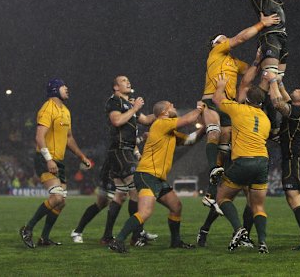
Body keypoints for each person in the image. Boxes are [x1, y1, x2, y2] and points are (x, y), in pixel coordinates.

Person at [201, 12, 279, 216]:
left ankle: (213, 190)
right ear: (215, 45)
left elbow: (250, 73)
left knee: (226, 143)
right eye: (221, 39)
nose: (225, 39)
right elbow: (241, 38)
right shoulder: (216, 53)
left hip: (228, 104)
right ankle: (212, 171)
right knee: (215, 132)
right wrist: (262, 24)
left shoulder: (233, 62)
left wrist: (258, 61)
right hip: (212, 99)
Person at [109, 100, 205, 253]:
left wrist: (205, 128)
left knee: (176, 206)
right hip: (147, 175)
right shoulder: (162, 123)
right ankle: (118, 241)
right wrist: (201, 108)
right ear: (164, 112)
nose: (174, 106)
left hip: (157, 178)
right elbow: (188, 119)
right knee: (145, 212)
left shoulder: (169, 130)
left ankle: (175, 242)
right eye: (171, 106)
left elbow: (190, 140)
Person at [71, 76, 156, 246]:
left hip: (123, 153)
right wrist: (135, 108)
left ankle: (111, 235)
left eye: (128, 80)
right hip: (119, 152)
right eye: (124, 80)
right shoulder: (114, 101)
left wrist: (163, 113)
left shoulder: (130, 105)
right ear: (116, 87)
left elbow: (146, 120)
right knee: (132, 190)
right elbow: (116, 121)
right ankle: (136, 234)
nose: (128, 81)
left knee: (118, 196)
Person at [20, 79, 91, 248]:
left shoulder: (65, 111)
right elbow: (39, 137)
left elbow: (69, 138)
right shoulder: (47, 109)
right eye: (63, 87)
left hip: (59, 161)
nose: (67, 89)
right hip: (45, 159)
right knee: (57, 197)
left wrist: (82, 156)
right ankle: (27, 229)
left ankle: (44, 238)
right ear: (55, 90)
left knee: (61, 202)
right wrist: (49, 159)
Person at [213, 74, 271, 254]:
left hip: (244, 160)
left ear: (247, 99)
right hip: (262, 161)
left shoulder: (239, 109)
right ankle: (262, 242)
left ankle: (239, 229)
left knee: (222, 197)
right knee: (258, 206)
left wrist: (221, 85)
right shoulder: (266, 120)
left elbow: (216, 99)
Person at [262, 71, 300, 251]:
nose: (295, 90)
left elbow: (279, 103)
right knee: (295, 198)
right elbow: (286, 98)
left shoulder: (298, 111)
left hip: (295, 160)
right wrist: (280, 84)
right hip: (293, 159)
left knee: (294, 198)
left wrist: (272, 80)